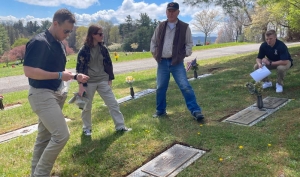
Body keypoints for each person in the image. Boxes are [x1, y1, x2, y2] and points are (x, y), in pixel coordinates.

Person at [23, 9, 89, 177]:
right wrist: (60, 75)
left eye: (70, 32)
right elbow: (29, 71)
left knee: (44, 138)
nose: (67, 35)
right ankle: (41, 174)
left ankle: (35, 174)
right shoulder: (39, 42)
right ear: (55, 23)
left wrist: (74, 76)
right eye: (65, 30)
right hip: (41, 94)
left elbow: (58, 70)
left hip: (56, 93)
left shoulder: (59, 43)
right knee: (61, 135)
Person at [150, 2, 204, 122]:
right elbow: (153, 42)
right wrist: (155, 54)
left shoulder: (184, 27)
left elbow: (189, 43)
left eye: (173, 11)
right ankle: (160, 111)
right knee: (160, 87)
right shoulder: (161, 26)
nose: (171, 13)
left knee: (185, 86)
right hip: (162, 62)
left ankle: (196, 111)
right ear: (166, 12)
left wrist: (185, 53)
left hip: (177, 62)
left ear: (178, 12)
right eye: (169, 10)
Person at [76, 24, 132, 136]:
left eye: (103, 34)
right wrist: (81, 85)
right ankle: (87, 128)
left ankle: (120, 126)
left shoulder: (103, 49)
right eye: (100, 34)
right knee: (86, 107)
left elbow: (108, 64)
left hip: (102, 80)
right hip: (88, 82)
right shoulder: (84, 50)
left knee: (113, 103)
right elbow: (79, 68)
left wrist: (109, 78)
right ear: (93, 35)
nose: (103, 36)